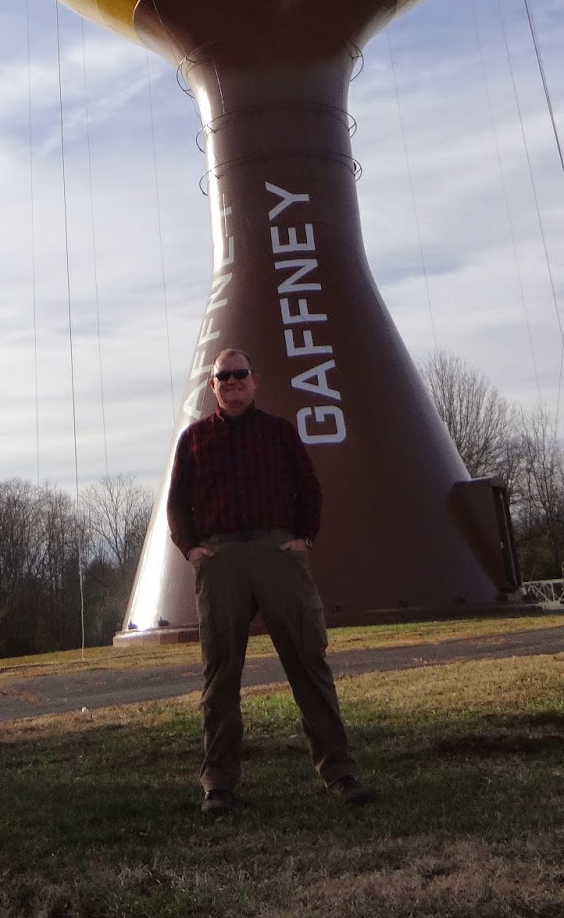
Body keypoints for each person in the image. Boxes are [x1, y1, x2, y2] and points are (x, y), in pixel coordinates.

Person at [167, 345, 370, 817]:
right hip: (221, 559)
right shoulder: (194, 439)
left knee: (308, 662)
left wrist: (304, 538)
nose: (234, 382)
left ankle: (339, 771)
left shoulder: (279, 433)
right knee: (220, 675)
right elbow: (178, 501)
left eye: (241, 374)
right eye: (225, 377)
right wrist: (192, 549)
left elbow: (309, 487)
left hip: (277, 553)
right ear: (212, 386)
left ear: (256, 381)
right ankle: (218, 783)